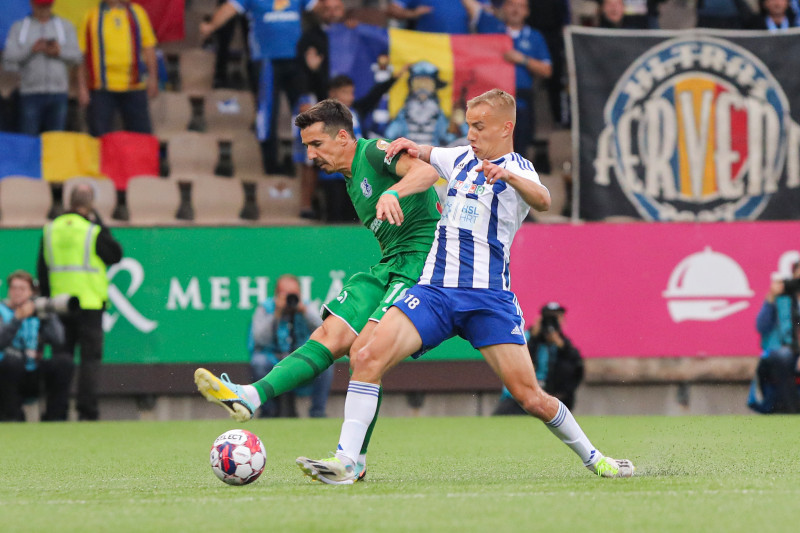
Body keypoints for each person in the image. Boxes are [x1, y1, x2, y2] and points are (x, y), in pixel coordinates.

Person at [296, 89, 634, 484]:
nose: (471, 134)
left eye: (479, 126)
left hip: (487, 299)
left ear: (506, 128)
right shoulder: (458, 156)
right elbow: (424, 154)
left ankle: (596, 459)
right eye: (468, 125)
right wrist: (409, 145)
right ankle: (348, 461)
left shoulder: (520, 168)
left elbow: (542, 199)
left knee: (530, 397)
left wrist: (507, 176)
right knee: (366, 356)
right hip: (434, 292)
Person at [194, 98, 443, 480]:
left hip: (420, 263)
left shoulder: (374, 152)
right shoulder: (348, 177)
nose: (310, 155)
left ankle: (350, 461)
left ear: (343, 136)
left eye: (316, 145)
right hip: (390, 265)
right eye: (306, 146)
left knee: (364, 353)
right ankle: (251, 395)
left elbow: (426, 173)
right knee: (330, 333)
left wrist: (394, 192)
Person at [201, 0, 320, 174]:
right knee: (267, 115)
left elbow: (323, 8)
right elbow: (228, 9)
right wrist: (210, 26)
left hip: (297, 61)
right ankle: (271, 167)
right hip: (266, 61)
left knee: (306, 112)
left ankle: (307, 164)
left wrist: (339, 21)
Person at [37, 184, 123, 421]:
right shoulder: (91, 230)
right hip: (89, 303)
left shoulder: (50, 229)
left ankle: (57, 411)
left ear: (68, 202)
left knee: (60, 359)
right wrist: (101, 223)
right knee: (89, 361)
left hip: (59, 304)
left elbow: (42, 270)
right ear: (90, 205)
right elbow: (115, 255)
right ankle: (87, 412)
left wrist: (49, 299)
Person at [465, 0, 552, 157]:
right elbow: (471, 6)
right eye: (511, 5)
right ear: (503, 7)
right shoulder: (490, 26)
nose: (516, 10)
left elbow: (547, 70)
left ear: (527, 11)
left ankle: (512, 179)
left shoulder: (534, 36)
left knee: (518, 147)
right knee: (486, 144)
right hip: (490, 96)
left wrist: (522, 59)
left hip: (520, 97)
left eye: (521, 6)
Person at [249, 274, 333, 418]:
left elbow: (326, 329)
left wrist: (305, 311)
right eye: (285, 294)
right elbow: (259, 339)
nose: (289, 298)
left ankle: (318, 412)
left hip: (301, 359)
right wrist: (277, 314)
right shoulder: (266, 308)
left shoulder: (306, 306)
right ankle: (268, 412)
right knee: (259, 362)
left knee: (326, 364)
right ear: (276, 295)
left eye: (293, 294)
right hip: (273, 358)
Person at [77, 0, 159, 137]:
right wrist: (82, 87)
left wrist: (153, 78)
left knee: (141, 136)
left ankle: (139, 159)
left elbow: (149, 47)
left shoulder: (137, 13)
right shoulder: (91, 16)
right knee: (98, 137)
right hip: (101, 89)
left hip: (134, 86)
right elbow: (82, 55)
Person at [2, 0, 82, 136]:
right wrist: (31, 50)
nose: (44, 10)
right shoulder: (20, 27)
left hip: (58, 93)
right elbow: (8, 58)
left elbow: (77, 56)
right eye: (41, 6)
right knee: (28, 139)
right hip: (30, 94)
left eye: (47, 6)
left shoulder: (65, 26)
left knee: (56, 140)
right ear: (32, 5)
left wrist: (59, 51)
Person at [494, 302, 584, 414]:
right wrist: (533, 338)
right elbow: (514, 362)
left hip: (551, 398)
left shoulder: (564, 345)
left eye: (556, 317)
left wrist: (561, 346)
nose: (552, 322)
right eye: (549, 317)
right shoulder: (526, 338)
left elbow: (575, 370)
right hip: (518, 399)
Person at [0, 271, 64, 421]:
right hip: (10, 370)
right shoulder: (2, 311)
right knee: (11, 363)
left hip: (34, 369)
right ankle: (11, 416)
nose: (17, 293)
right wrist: (17, 319)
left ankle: (55, 418)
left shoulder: (39, 311)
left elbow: (58, 340)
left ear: (31, 292)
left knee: (63, 362)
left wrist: (48, 315)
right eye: (14, 288)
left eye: (22, 289)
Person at [749, 262, 800, 414]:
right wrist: (771, 297)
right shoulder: (781, 299)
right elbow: (761, 326)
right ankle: (792, 409)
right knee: (782, 357)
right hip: (786, 350)